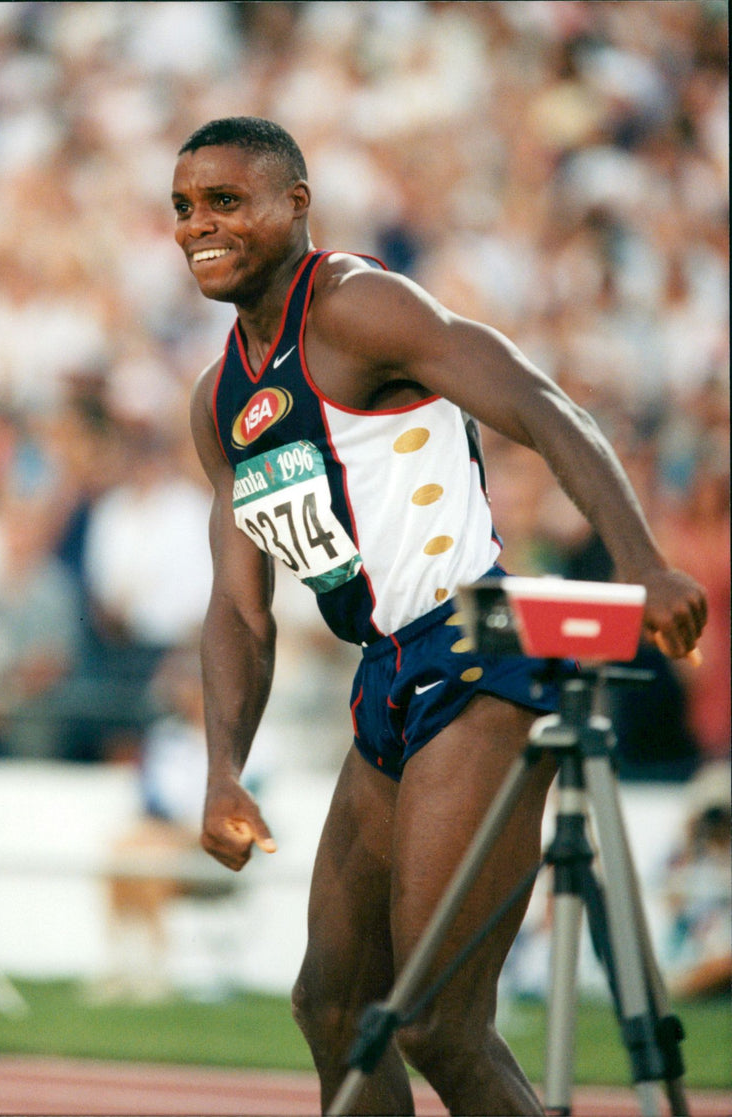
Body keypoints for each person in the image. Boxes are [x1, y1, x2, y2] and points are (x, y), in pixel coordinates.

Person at [173, 117, 707, 1116]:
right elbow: (238, 609)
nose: (200, 224)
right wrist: (221, 770)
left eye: (225, 201)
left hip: (476, 657)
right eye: (184, 207)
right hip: (385, 680)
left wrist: (639, 563)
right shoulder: (217, 402)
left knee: (434, 1021)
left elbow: (543, 405)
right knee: (333, 1011)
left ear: (294, 205)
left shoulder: (357, 307)